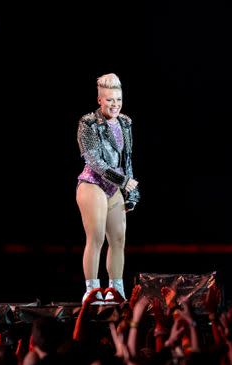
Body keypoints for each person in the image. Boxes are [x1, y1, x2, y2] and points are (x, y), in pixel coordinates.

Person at [76, 73, 140, 303]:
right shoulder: (88, 123)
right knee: (96, 238)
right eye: (110, 99)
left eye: (118, 99)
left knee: (119, 239)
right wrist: (122, 180)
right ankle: (92, 290)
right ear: (99, 100)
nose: (115, 104)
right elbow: (95, 161)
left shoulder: (125, 122)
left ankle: (116, 289)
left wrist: (130, 192)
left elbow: (127, 159)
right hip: (93, 183)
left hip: (114, 187)